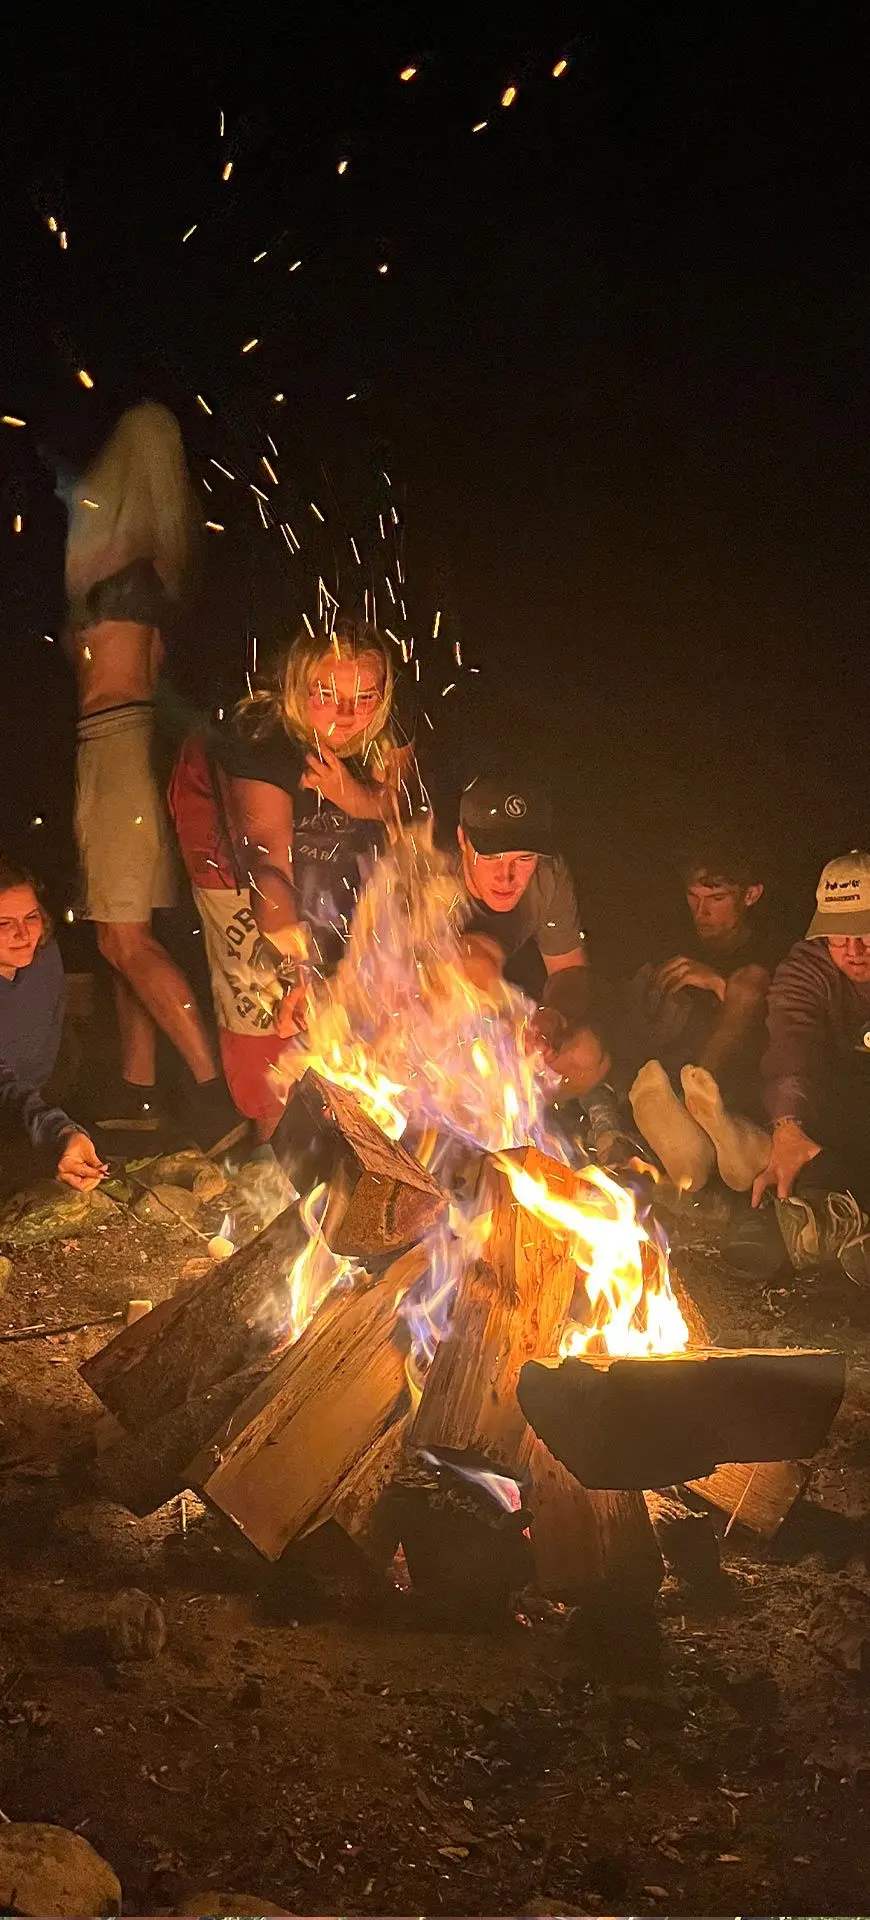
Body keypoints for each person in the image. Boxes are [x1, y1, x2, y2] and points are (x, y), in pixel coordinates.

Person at [61, 402, 236, 1146]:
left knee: (122, 940)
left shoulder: (120, 560)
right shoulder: (160, 566)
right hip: (135, 748)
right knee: (125, 930)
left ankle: (211, 1095)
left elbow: (89, 658)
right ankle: (139, 1088)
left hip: (116, 747)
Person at [169, 615, 416, 1137]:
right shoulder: (263, 739)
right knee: (270, 1026)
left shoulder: (387, 730)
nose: (348, 716)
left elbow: (408, 810)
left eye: (366, 697)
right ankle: (271, 1165)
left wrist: (357, 798)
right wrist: (296, 965)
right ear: (298, 686)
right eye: (327, 694)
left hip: (331, 856)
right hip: (236, 864)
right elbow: (268, 868)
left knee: (363, 1016)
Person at [719, 852, 870, 1280]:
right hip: (834, 1095)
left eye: (866, 933)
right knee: (788, 1111)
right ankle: (786, 1213)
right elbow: (792, 1043)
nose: (854, 950)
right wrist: (788, 1125)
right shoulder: (808, 966)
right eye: (838, 936)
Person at [619, 841, 776, 1190]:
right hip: (675, 1071)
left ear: (750, 896)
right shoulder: (670, 938)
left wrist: (719, 984)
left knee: (749, 982)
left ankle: (700, 1100)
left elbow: (783, 1021)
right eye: (694, 896)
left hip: (747, 1085)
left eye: (716, 898)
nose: (701, 910)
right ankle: (691, 1150)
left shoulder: (773, 947)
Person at [455, 774, 607, 1098]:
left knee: (587, 1056)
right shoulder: (426, 879)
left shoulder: (547, 877)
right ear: (462, 840)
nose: (507, 876)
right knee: (473, 961)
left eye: (524, 858)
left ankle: (512, 1134)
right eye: (492, 856)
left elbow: (569, 971)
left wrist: (552, 1017)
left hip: (495, 1038)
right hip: (415, 1040)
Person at [0, 856, 107, 1189]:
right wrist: (58, 1130)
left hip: (33, 1107)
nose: (23, 933)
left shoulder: (43, 958)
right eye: (3, 923)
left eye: (31, 917)